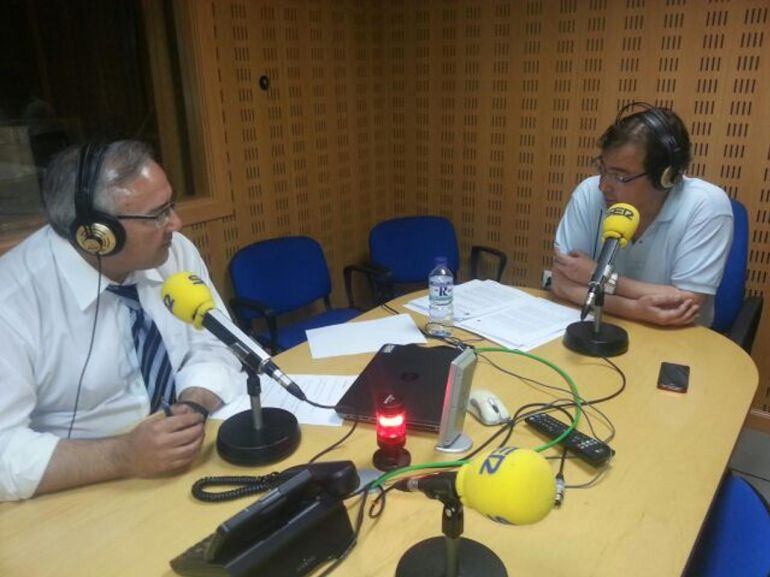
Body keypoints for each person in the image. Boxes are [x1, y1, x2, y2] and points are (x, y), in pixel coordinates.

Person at [0, 140, 247, 501]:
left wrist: (194, 404)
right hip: (82, 490)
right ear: (96, 235)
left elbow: (215, 343)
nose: (176, 223)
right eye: (157, 214)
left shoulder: (173, 252)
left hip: (187, 459)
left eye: (171, 205)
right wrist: (122, 456)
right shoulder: (12, 300)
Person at [552, 103, 733, 327]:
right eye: (602, 170)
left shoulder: (707, 206)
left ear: (666, 177)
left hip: (674, 338)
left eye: (620, 176)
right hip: (597, 325)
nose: (603, 186)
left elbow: (686, 303)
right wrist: (635, 309)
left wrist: (598, 277)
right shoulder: (588, 193)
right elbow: (560, 282)